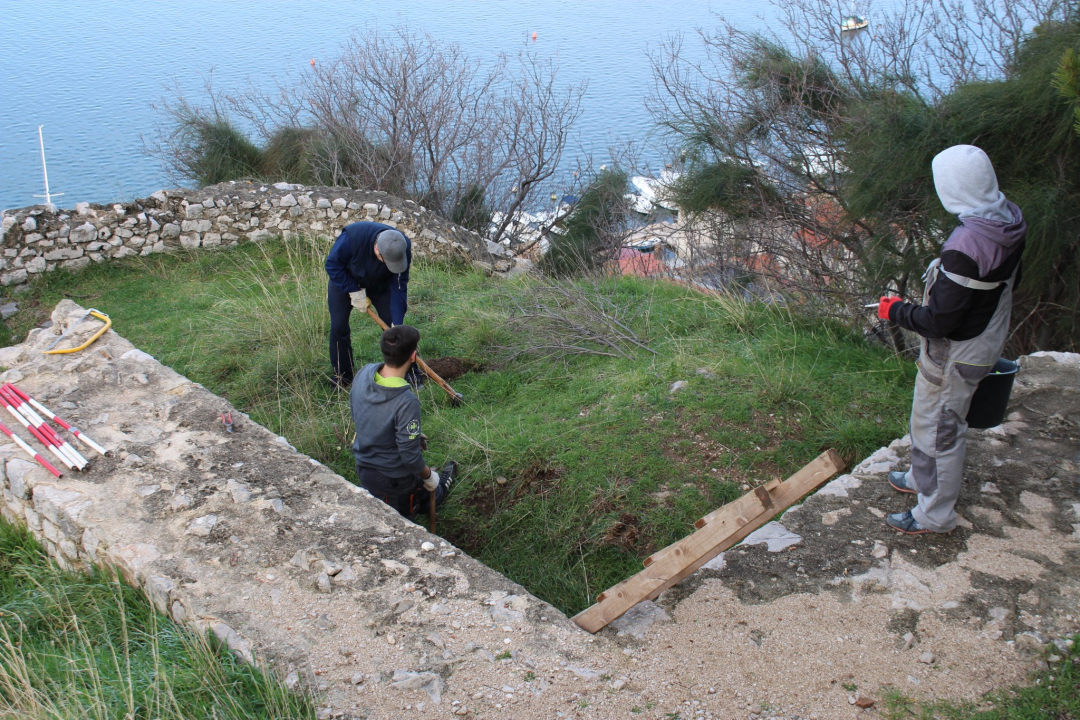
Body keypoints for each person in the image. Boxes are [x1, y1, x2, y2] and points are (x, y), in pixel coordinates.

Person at [878, 145, 1026, 535]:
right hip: (984, 337)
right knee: (929, 421)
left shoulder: (966, 247)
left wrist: (893, 310)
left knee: (940, 429)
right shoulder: (1006, 218)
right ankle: (920, 477)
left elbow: (938, 320)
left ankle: (934, 514)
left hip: (957, 351)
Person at [351, 324, 456, 520]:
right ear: (413, 356)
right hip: (394, 481)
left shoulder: (364, 373)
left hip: (364, 468)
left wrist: (409, 436)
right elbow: (409, 457)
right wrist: (428, 476)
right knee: (399, 523)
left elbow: (359, 414)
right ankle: (436, 491)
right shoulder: (406, 402)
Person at [325, 221, 413, 388]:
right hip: (345, 280)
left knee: (396, 329)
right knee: (339, 326)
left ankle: (407, 374)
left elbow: (399, 286)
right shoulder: (352, 238)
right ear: (376, 249)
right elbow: (333, 265)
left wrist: (397, 319)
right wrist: (353, 290)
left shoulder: (402, 246)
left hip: (381, 285)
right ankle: (343, 377)